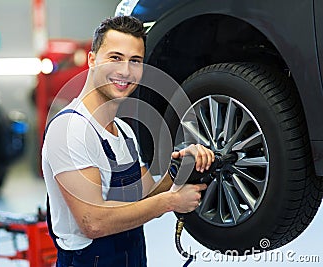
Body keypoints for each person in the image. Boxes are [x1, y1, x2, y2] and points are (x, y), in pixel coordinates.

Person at [42, 16, 215, 267]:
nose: (125, 71)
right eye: (115, 58)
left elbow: (143, 198)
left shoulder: (124, 131)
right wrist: (170, 202)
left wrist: (178, 170)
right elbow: (93, 222)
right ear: (92, 60)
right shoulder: (69, 130)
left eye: (135, 61)